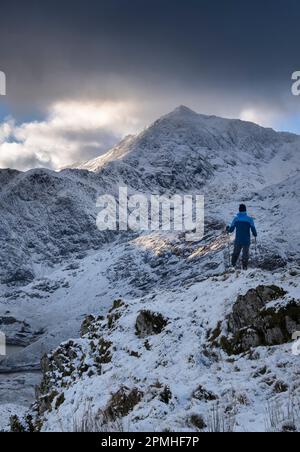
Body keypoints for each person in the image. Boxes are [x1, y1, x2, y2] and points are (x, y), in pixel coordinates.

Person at [226, 204, 257, 270]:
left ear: (239, 210)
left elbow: (231, 230)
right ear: (245, 210)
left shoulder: (236, 219)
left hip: (238, 240)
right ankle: (244, 268)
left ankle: (233, 266)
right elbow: (253, 230)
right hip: (246, 240)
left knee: (235, 253)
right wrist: (255, 234)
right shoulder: (250, 219)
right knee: (245, 255)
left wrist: (227, 229)